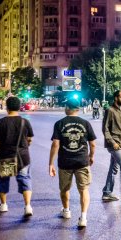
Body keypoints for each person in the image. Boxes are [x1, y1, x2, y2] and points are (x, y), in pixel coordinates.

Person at [49, 98, 96, 228]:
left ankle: (66, 210)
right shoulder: (85, 123)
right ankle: (83, 217)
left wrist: (51, 164)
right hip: (82, 161)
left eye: (65, 106)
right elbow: (92, 144)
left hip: (65, 162)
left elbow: (55, 144)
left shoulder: (59, 124)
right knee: (84, 189)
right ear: (78, 109)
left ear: (68, 108)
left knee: (64, 189)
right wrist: (91, 157)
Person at [0, 96, 34, 216]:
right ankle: (27, 206)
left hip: (5, 156)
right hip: (23, 157)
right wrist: (25, 146)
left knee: (3, 180)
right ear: (19, 107)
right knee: (25, 180)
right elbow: (29, 139)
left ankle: (3, 205)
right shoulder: (25, 122)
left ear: (7, 107)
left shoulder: (1, 122)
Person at [102, 90, 121, 202]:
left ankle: (107, 193)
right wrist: (113, 143)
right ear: (116, 98)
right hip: (113, 144)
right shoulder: (110, 110)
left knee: (114, 168)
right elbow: (105, 129)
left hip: (120, 144)